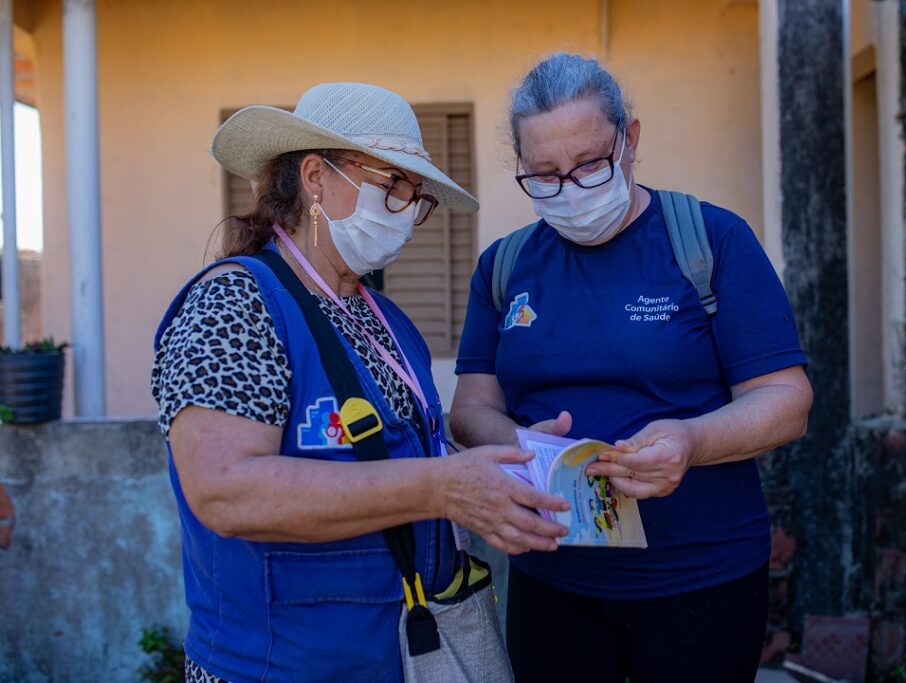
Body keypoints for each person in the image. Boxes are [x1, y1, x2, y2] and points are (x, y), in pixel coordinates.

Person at [151, 82, 569, 683]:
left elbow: (400, 457)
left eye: (414, 195)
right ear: (316, 178)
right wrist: (443, 486)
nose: (406, 208)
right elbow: (224, 490)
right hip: (279, 666)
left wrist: (508, 469)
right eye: (390, 184)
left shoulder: (384, 318)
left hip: (394, 654)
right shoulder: (234, 303)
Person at [450, 53, 814, 683]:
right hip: (551, 577)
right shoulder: (504, 266)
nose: (570, 190)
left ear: (630, 139)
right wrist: (524, 448)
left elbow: (787, 400)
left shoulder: (711, 241)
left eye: (590, 164)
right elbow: (470, 407)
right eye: (543, 175)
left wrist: (691, 440)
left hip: (702, 579)